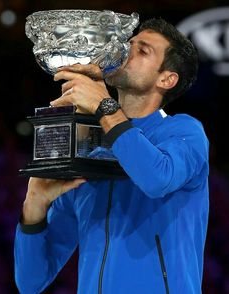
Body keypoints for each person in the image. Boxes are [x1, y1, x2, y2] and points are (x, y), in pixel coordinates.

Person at [14, 17, 209, 294]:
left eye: (142, 51)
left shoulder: (183, 132)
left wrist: (103, 105)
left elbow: (156, 178)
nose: (125, 51)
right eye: (127, 44)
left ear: (167, 79)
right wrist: (33, 206)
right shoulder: (86, 149)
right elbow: (31, 282)